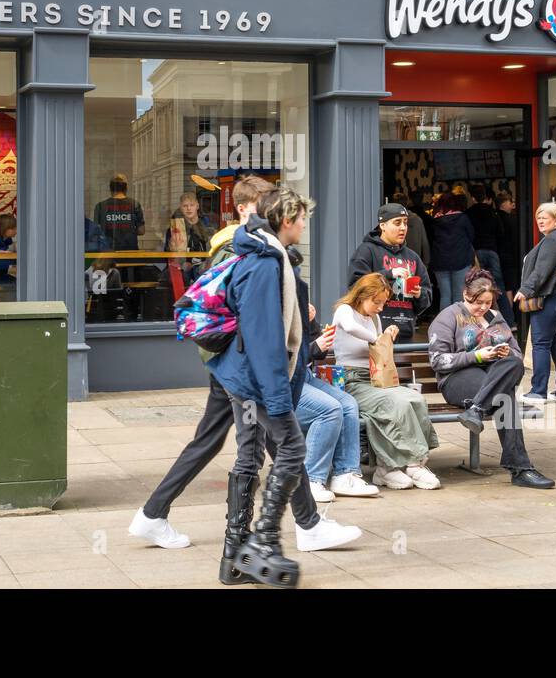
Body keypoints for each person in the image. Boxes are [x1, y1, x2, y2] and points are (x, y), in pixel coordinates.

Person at [128, 176, 358, 571]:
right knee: (265, 449)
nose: (302, 225)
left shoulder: (261, 250)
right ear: (251, 210)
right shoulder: (251, 252)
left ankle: (170, 521)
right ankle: (260, 543)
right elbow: (257, 326)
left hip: (235, 366)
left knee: (241, 445)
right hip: (242, 368)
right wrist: (273, 387)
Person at [205, 188, 358, 588]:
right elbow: (263, 337)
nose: (305, 225)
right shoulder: (264, 263)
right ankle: (264, 540)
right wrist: (276, 395)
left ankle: (234, 559)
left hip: (250, 379)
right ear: (287, 220)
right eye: (302, 218)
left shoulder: (270, 256)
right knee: (292, 448)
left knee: (250, 457)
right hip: (255, 381)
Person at [428, 268, 555, 489]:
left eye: (489, 302)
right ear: (466, 295)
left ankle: (476, 410)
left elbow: (517, 354)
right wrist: (476, 355)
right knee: (504, 398)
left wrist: (505, 352)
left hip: (493, 375)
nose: (484, 308)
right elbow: (438, 360)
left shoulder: (494, 317)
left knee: (513, 364)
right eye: (479, 303)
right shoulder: (448, 316)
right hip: (457, 378)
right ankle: (521, 469)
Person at [331, 273, 441, 491]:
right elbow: (352, 328)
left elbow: (379, 350)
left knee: (414, 398)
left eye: (383, 302)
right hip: (350, 380)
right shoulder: (345, 310)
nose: (381, 308)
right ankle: (408, 463)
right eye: (377, 302)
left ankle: (406, 464)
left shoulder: (375, 318)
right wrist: (377, 338)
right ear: (362, 295)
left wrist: (388, 335)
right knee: (394, 404)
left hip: (374, 378)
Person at [292, 251, 381, 502]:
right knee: (329, 409)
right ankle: (312, 479)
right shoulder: (271, 305)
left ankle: (346, 474)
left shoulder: (296, 300)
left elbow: (315, 354)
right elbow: (279, 356)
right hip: (283, 383)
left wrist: (312, 327)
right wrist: (314, 346)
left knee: (348, 404)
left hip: (303, 376)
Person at [347, 203, 432, 343]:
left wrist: (419, 293)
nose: (403, 228)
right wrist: (388, 274)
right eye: (397, 223)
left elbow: (427, 297)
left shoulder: (413, 257)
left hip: (405, 332)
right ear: (383, 225)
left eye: (405, 222)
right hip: (373, 332)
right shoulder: (366, 251)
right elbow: (355, 285)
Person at [515, 202, 556, 406]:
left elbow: (541, 271)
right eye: (538, 217)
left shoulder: (551, 241)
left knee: (540, 344)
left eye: (545, 217)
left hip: (550, 297)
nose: (540, 221)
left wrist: (525, 290)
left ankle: (538, 391)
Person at [467, 184, 516, 329]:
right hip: (493, 252)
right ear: (486, 197)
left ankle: (483, 322)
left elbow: (468, 234)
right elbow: (500, 232)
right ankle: (509, 321)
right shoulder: (492, 212)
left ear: (473, 198)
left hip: (477, 253)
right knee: (498, 287)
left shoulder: (468, 213)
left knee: (478, 287)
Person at [429, 191, 476, 313]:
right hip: (460, 260)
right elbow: (472, 236)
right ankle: (458, 326)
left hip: (440, 262)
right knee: (458, 295)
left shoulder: (434, 221)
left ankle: (444, 326)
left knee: (444, 295)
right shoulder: (463, 218)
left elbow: (430, 240)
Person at [92, 173, 144, 251]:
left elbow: (95, 232)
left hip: (108, 254)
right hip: (130, 253)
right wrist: (129, 230)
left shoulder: (100, 206)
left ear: (110, 188)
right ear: (126, 188)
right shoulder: (135, 205)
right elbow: (141, 231)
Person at [390, 191, 431, 268]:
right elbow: (424, 242)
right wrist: (426, 263)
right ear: (407, 203)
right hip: (413, 263)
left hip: (394, 263)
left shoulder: (389, 221)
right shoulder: (417, 220)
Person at [496, 192, 522, 307]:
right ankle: (510, 316)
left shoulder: (496, 216)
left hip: (500, 255)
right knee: (509, 287)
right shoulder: (510, 219)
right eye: (510, 202)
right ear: (504, 203)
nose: (512, 205)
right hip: (509, 257)